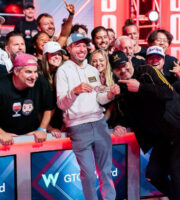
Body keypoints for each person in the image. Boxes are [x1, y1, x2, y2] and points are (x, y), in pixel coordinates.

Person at [110, 50, 180, 200]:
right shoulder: (121, 88)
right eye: (117, 68)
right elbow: (126, 115)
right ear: (113, 71)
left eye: (124, 65)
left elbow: (168, 92)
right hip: (164, 135)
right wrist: (119, 124)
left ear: (130, 61)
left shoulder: (146, 71)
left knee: (177, 171)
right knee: (153, 174)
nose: (122, 70)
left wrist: (141, 87)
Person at [56, 33, 119, 200]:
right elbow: (61, 104)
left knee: (106, 171)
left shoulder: (92, 70)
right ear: (69, 49)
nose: (82, 49)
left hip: (99, 124)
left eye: (84, 45)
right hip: (78, 127)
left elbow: (99, 98)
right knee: (89, 174)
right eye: (77, 45)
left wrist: (110, 95)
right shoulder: (63, 71)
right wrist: (74, 91)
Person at [0, 53, 55, 145]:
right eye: (28, 72)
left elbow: (49, 107)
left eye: (35, 71)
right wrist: (0, 133)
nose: (34, 76)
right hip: (2, 142)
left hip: (31, 138)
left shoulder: (40, 82)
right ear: (16, 71)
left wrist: (42, 129)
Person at [41, 41, 66, 137]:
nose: (57, 57)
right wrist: (48, 128)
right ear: (45, 56)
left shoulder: (62, 72)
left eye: (59, 54)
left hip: (58, 122)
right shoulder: (38, 75)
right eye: (53, 54)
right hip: (41, 127)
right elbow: (37, 108)